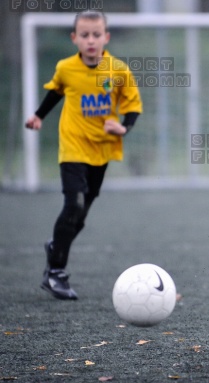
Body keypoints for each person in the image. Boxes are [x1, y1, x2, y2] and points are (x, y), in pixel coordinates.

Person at [25, 10, 143, 300]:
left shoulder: (117, 70)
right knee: (74, 204)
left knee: (81, 215)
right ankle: (56, 272)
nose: (91, 40)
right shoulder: (66, 68)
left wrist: (124, 128)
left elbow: (133, 105)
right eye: (85, 35)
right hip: (73, 146)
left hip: (102, 149)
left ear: (106, 37)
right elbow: (55, 91)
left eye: (96, 34)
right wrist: (39, 116)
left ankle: (56, 245)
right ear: (74, 38)